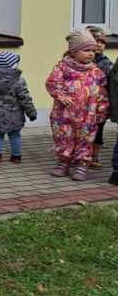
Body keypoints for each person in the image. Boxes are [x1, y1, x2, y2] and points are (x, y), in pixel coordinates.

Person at [45, 30, 109, 181]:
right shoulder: (62, 67)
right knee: (64, 137)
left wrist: (102, 110)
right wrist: (62, 96)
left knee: (86, 139)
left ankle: (82, 165)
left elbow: (102, 92)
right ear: (73, 51)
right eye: (86, 50)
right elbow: (52, 83)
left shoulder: (96, 72)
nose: (91, 54)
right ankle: (63, 163)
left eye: (93, 51)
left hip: (88, 115)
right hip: (64, 114)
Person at [86, 26, 113, 169]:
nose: (99, 45)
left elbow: (111, 83)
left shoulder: (107, 63)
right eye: (96, 41)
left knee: (98, 130)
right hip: (84, 102)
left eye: (102, 42)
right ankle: (80, 154)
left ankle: (94, 155)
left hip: (100, 104)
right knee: (83, 129)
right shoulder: (82, 60)